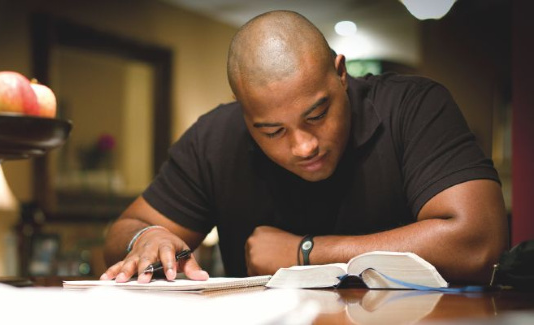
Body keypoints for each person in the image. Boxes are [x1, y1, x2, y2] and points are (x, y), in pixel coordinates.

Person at [101, 10, 508, 285]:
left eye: (316, 115)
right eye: (272, 131)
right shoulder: (214, 138)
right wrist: (147, 238)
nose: (303, 146)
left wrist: (305, 253)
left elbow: (480, 241)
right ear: (244, 116)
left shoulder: (413, 107)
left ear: (341, 74)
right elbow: (121, 231)